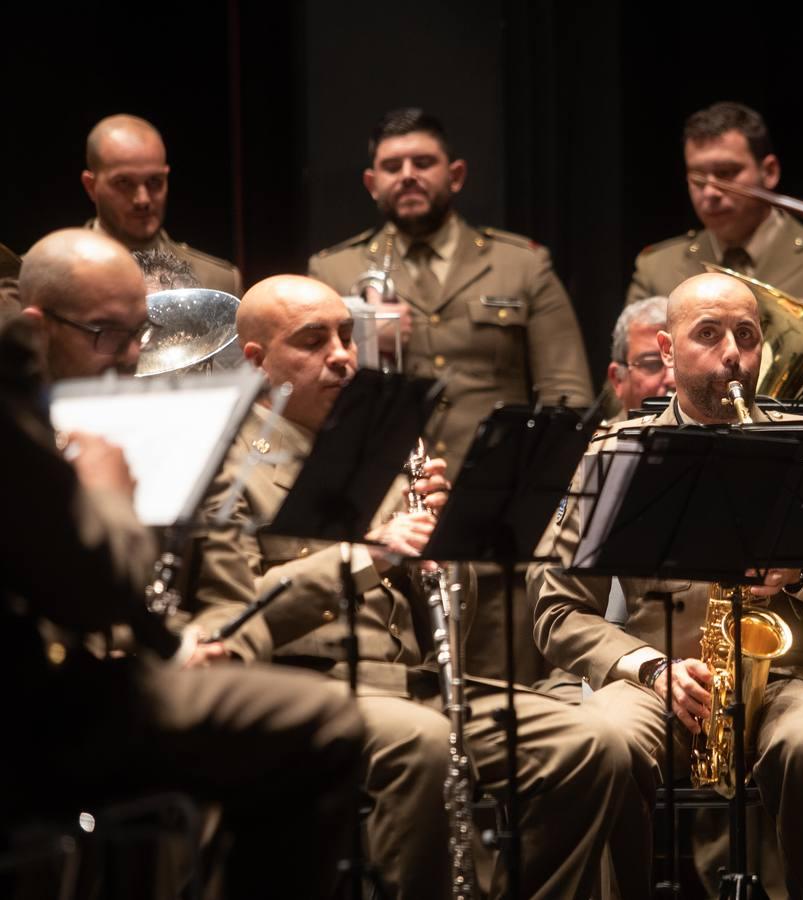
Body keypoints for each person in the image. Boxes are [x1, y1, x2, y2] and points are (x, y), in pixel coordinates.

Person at [186, 274, 650, 900]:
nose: (343, 356)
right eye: (313, 341)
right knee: (427, 746)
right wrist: (369, 555)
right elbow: (239, 612)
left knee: (590, 744)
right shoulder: (227, 465)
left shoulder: (381, 450)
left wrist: (445, 550)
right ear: (256, 361)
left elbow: (451, 622)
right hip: (308, 685)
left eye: (347, 337)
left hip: (417, 683)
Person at [5, 229, 364, 898]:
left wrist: (182, 643)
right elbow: (88, 588)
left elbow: (201, 588)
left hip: (92, 675)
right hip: (37, 708)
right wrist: (109, 492)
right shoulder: (24, 425)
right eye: (105, 334)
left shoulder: (124, 423)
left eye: (140, 332)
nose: (134, 355)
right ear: (36, 327)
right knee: (318, 722)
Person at [530, 271, 803, 899]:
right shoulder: (615, 450)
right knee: (607, 740)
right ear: (668, 352)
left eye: (747, 336)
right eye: (708, 334)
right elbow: (556, 605)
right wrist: (648, 668)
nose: (732, 353)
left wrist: (802, 576)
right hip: (660, 680)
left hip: (790, 677)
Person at [309, 107, 593, 684]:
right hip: (384, 523)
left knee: (501, 699)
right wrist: (363, 340)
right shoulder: (333, 269)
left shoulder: (521, 265)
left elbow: (568, 400)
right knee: (407, 696)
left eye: (423, 162)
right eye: (392, 166)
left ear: (456, 175)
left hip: (495, 520)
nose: (408, 175)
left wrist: (524, 497)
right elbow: (308, 400)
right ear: (372, 183)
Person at [626, 101, 803, 415]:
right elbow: (631, 367)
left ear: (769, 172)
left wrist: (775, 391)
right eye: (698, 179)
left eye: (727, 174)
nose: (711, 191)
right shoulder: (656, 267)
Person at [81, 115, 242, 295]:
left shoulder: (215, 283)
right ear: (91, 186)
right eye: (124, 183)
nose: (142, 200)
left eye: (154, 181)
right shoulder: (61, 277)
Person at [607, 295, 676, 418]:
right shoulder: (606, 437)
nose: (673, 379)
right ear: (617, 379)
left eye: (682, 363)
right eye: (652, 364)